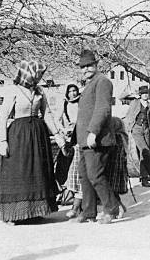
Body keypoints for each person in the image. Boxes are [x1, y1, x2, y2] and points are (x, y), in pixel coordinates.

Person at [0, 60, 67, 223]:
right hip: (19, 135)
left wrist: (57, 135)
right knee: (20, 170)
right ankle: (17, 213)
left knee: (38, 170)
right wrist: (3, 140)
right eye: (38, 74)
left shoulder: (40, 91)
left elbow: (47, 114)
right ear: (29, 73)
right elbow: (3, 116)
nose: (40, 77)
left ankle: (35, 211)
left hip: (38, 135)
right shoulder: (14, 90)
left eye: (41, 74)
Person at [75, 49, 118, 224]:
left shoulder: (103, 82)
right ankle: (88, 212)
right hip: (85, 141)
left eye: (88, 66)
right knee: (85, 176)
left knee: (95, 175)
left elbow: (103, 109)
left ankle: (111, 209)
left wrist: (93, 132)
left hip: (97, 139)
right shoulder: (89, 85)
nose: (85, 69)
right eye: (82, 67)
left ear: (96, 65)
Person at [124, 85, 150, 187]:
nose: (145, 95)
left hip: (147, 130)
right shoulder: (135, 103)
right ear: (140, 95)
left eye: (147, 93)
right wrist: (131, 126)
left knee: (144, 153)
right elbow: (128, 114)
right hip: (137, 129)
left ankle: (144, 178)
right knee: (145, 151)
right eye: (143, 94)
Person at [57, 84, 82, 219]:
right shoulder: (65, 104)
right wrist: (63, 129)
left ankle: (80, 195)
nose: (72, 94)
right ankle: (67, 193)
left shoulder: (82, 102)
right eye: (70, 91)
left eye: (74, 91)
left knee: (78, 165)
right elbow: (57, 118)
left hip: (80, 133)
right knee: (64, 163)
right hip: (69, 135)